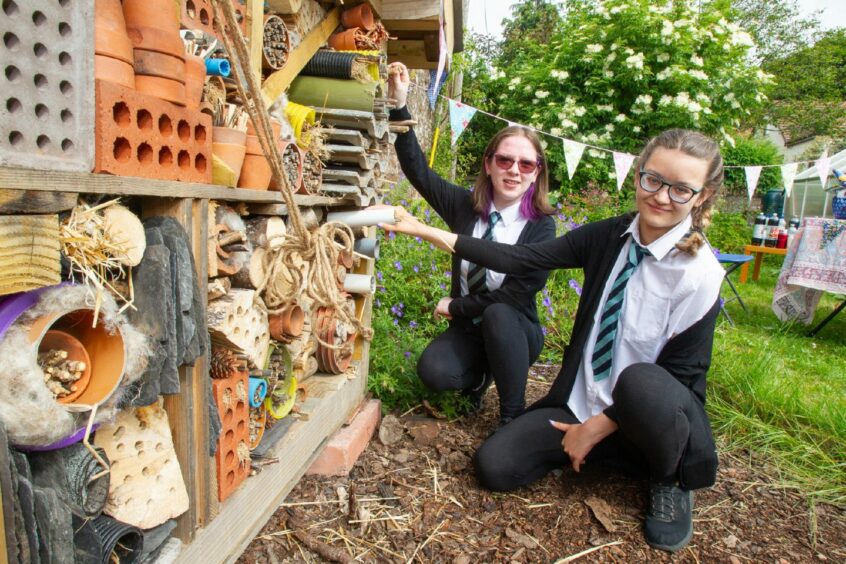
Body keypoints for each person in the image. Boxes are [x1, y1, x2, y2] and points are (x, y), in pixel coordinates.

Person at [376, 128, 726, 552]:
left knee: (641, 381)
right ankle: (606, 454)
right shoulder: (610, 236)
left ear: (702, 196)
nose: (662, 196)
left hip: (649, 417)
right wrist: (431, 232)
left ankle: (667, 476)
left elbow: (682, 379)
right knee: (494, 466)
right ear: (639, 176)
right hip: (580, 403)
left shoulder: (699, 273)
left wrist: (600, 424)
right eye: (653, 180)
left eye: (681, 189)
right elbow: (521, 259)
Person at [386, 62, 556, 425]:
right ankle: (480, 378)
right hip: (468, 330)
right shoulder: (466, 206)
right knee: (434, 372)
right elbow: (418, 173)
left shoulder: (541, 228)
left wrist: (456, 305)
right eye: (505, 160)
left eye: (526, 164)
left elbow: (513, 297)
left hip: (516, 331)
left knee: (499, 314)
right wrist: (399, 105)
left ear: (536, 173)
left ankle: (512, 417)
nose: (514, 170)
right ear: (489, 165)